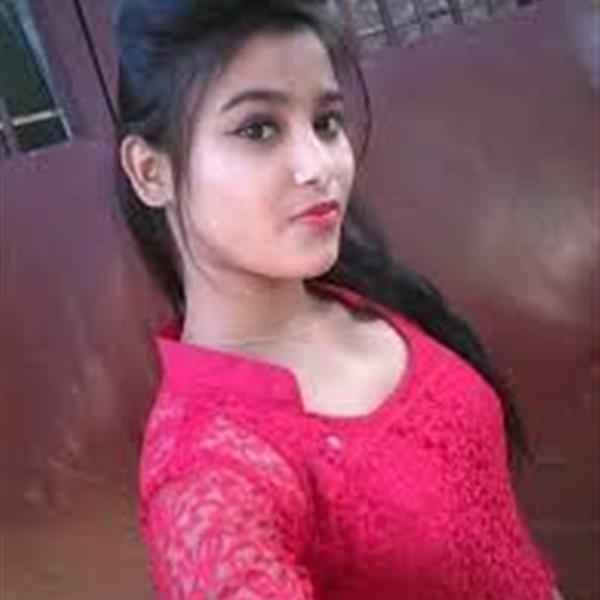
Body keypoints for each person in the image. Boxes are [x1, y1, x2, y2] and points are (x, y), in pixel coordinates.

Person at [116, 0, 561, 598]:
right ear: (151, 172)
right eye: (258, 129)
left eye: (325, 122)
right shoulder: (206, 479)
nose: (318, 164)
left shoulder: (362, 295)